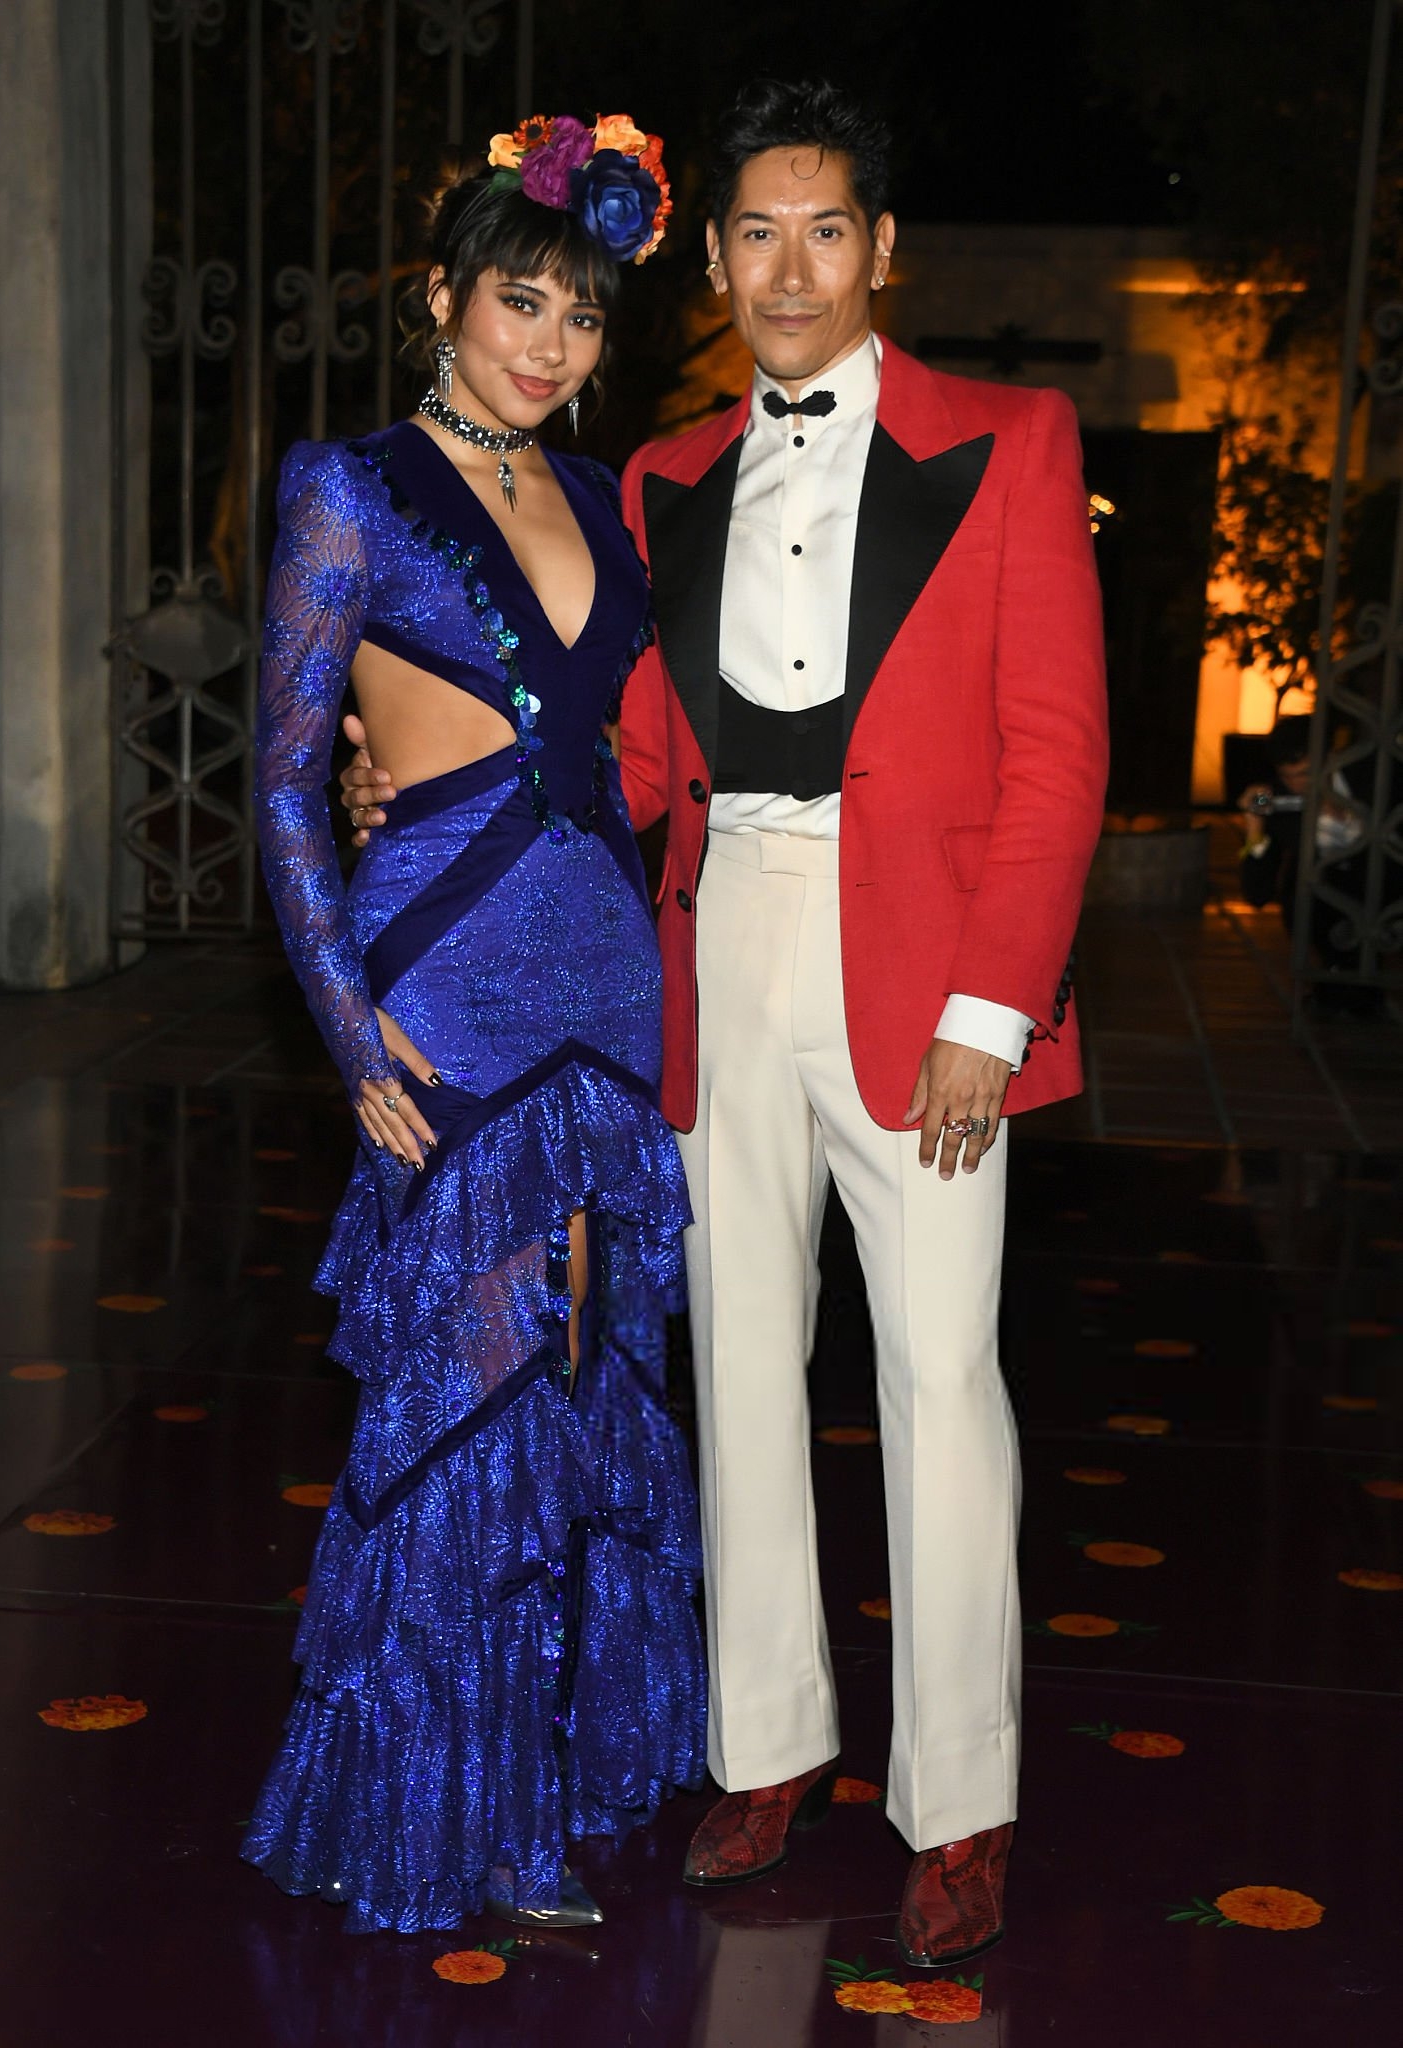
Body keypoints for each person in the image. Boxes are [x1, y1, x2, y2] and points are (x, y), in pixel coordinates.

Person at [344, 79, 1108, 1968]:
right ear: (712, 257)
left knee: (941, 1374)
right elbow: (611, 751)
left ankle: (961, 1797)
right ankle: (765, 1745)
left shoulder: (1013, 440)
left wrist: (991, 1010)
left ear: (881, 250)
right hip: (716, 938)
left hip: (933, 965)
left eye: (825, 231)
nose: (790, 269)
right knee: (740, 1363)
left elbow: (1058, 752)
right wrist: (414, 782)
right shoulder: (665, 477)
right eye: (757, 233)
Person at [241, 114, 704, 1936]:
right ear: (442, 296)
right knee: (471, 1391)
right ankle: (451, 1812)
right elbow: (287, 782)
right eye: (521, 301)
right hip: (443, 985)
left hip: (605, 984)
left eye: (581, 317)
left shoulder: (602, 498)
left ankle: (538, 1778)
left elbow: (620, 752)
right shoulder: (349, 488)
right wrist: (352, 1033)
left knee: (579, 1385)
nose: (548, 344)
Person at [1236, 713, 1376, 1011]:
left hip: (1378, 886)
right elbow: (1257, 893)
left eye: (1307, 773)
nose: (1298, 784)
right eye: (1288, 776)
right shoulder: (1275, 796)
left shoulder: (1368, 775)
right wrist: (1254, 828)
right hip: (1321, 899)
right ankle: (1335, 982)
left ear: (1331, 757)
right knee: (1304, 893)